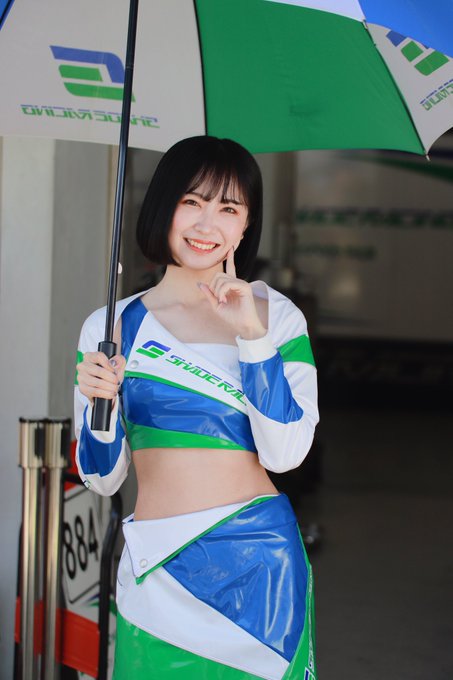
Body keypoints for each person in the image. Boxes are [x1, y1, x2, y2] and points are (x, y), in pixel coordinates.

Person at [75, 136, 319, 680]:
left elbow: (286, 454)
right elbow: (101, 478)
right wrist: (100, 404)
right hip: (156, 572)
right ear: (164, 206)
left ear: (246, 225)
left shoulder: (277, 317)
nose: (208, 224)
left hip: (258, 572)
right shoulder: (111, 326)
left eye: (228, 208)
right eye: (192, 201)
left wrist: (252, 337)